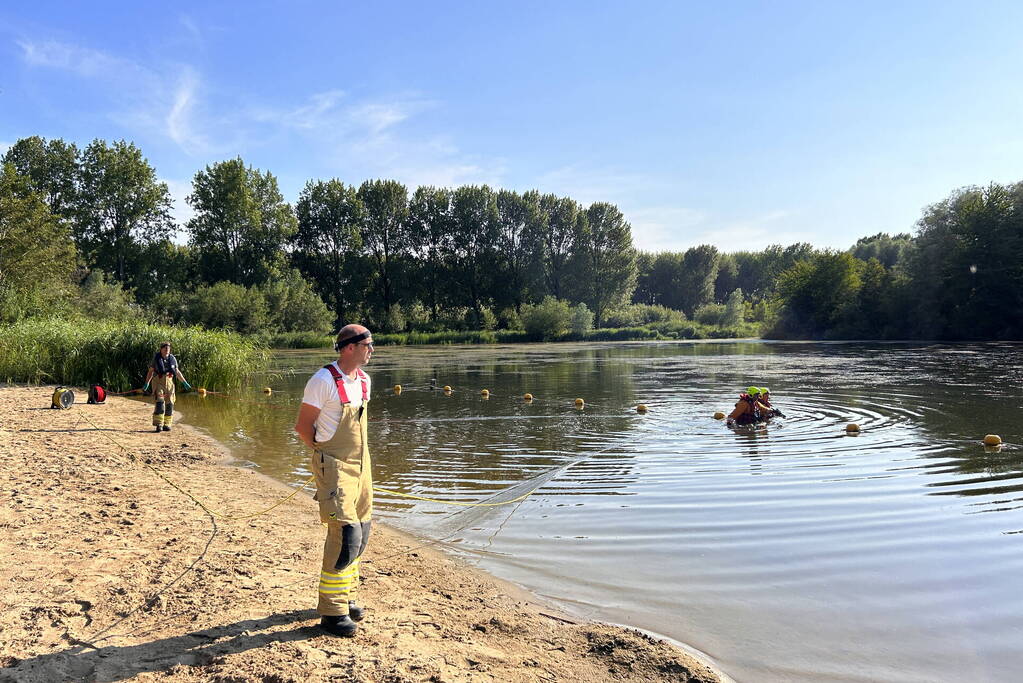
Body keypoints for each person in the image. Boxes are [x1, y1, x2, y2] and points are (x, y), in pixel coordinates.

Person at [294, 324, 375, 638]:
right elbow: (302, 427)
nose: (372, 349)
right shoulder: (323, 380)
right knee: (345, 535)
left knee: (362, 533)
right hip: (335, 466)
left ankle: (346, 597)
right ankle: (331, 613)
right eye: (368, 344)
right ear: (349, 347)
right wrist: (324, 457)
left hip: (362, 467)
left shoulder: (364, 381)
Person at [142, 341, 191, 432]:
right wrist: (147, 383)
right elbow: (150, 371)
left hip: (169, 383)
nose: (167, 349)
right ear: (161, 349)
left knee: (170, 404)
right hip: (158, 382)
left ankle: (167, 424)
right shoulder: (156, 358)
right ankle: (159, 424)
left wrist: (184, 382)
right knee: (160, 402)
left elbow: (176, 371)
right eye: (165, 348)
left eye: (168, 348)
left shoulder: (172, 358)